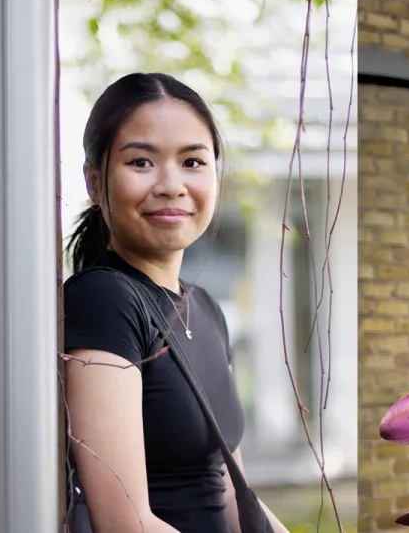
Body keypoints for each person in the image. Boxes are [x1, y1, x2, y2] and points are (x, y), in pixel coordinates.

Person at [63, 72, 289, 533]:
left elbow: (230, 492)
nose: (171, 185)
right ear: (94, 181)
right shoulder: (104, 300)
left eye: (192, 162)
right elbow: (125, 523)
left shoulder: (205, 308)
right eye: (141, 162)